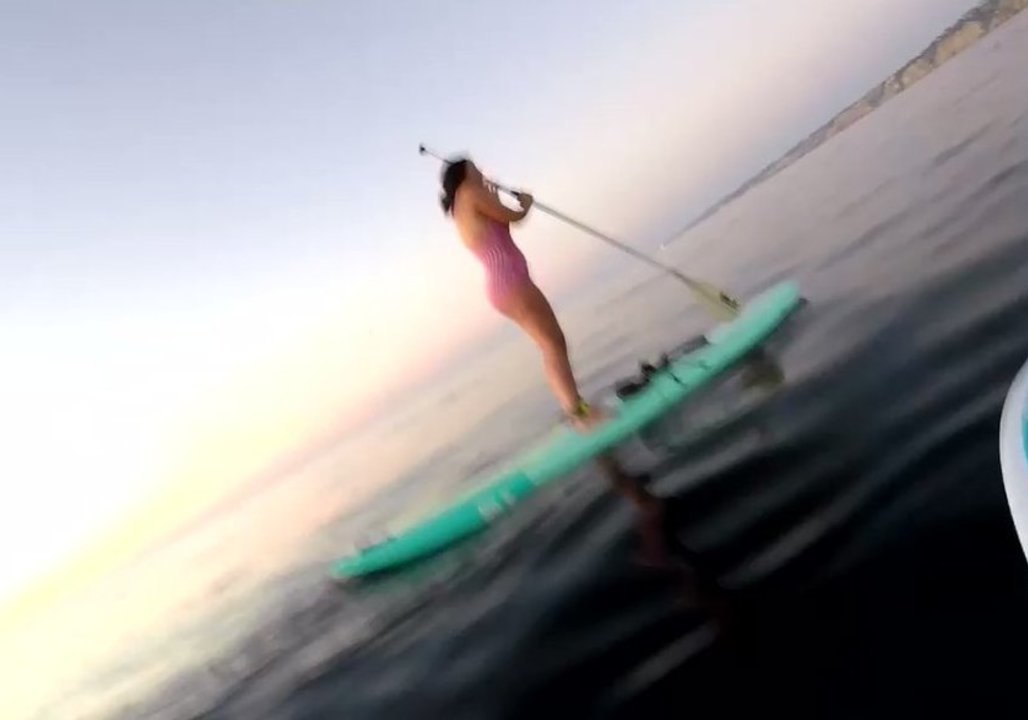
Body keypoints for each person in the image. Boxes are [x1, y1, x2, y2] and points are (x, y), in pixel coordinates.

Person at [439, 157, 606, 431]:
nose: (480, 170)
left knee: (551, 345)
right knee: (554, 344)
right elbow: (513, 218)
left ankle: (577, 410)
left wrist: (496, 198)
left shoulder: (463, 205)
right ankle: (579, 413)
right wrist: (524, 204)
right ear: (464, 174)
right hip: (512, 283)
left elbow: (498, 228)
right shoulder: (469, 193)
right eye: (475, 167)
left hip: (505, 286)